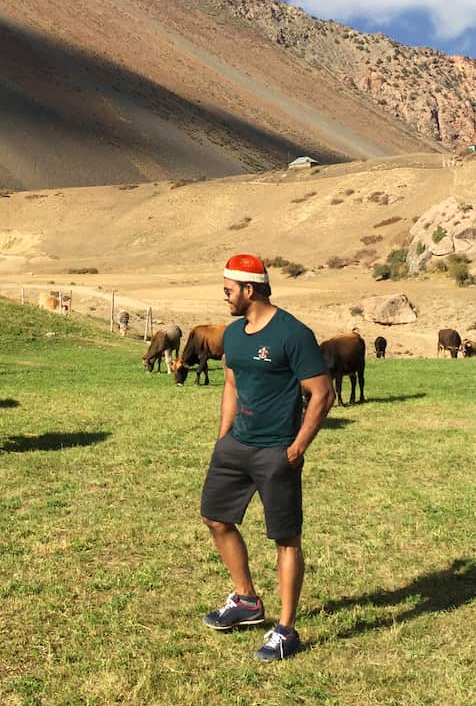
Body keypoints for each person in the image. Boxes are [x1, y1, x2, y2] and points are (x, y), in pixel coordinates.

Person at [199, 253, 335, 661]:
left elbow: (322, 393)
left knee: (285, 538)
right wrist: (223, 438)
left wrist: (296, 448)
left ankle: (286, 630)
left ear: (249, 290)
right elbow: (231, 383)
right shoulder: (234, 334)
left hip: (277, 451)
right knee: (215, 518)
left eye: (228, 291)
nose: (225, 297)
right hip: (236, 446)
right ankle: (246, 601)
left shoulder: (293, 334)